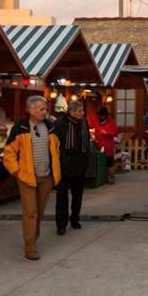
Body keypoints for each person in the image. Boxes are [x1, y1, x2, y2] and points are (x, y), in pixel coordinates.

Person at [4, 95, 61, 260]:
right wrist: (17, 171)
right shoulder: (20, 127)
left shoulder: (50, 126)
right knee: (30, 212)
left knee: (39, 212)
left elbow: (56, 148)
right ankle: (30, 247)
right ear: (30, 110)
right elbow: (9, 152)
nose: (45, 112)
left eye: (45, 109)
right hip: (27, 177)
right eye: (41, 109)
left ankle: (33, 238)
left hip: (46, 177)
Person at [53, 100, 93, 235]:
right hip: (65, 163)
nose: (83, 113)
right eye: (80, 111)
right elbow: (55, 144)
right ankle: (61, 224)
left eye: (82, 110)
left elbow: (87, 141)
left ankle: (75, 219)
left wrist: (86, 158)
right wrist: (63, 159)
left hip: (80, 163)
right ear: (71, 112)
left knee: (78, 194)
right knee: (62, 195)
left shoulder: (83, 123)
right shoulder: (60, 123)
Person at [94, 106, 119, 185]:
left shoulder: (111, 122)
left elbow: (115, 133)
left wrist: (107, 133)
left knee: (109, 163)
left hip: (108, 146)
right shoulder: (96, 121)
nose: (100, 116)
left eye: (102, 115)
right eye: (100, 115)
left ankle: (111, 178)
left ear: (106, 115)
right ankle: (102, 178)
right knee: (100, 163)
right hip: (98, 145)